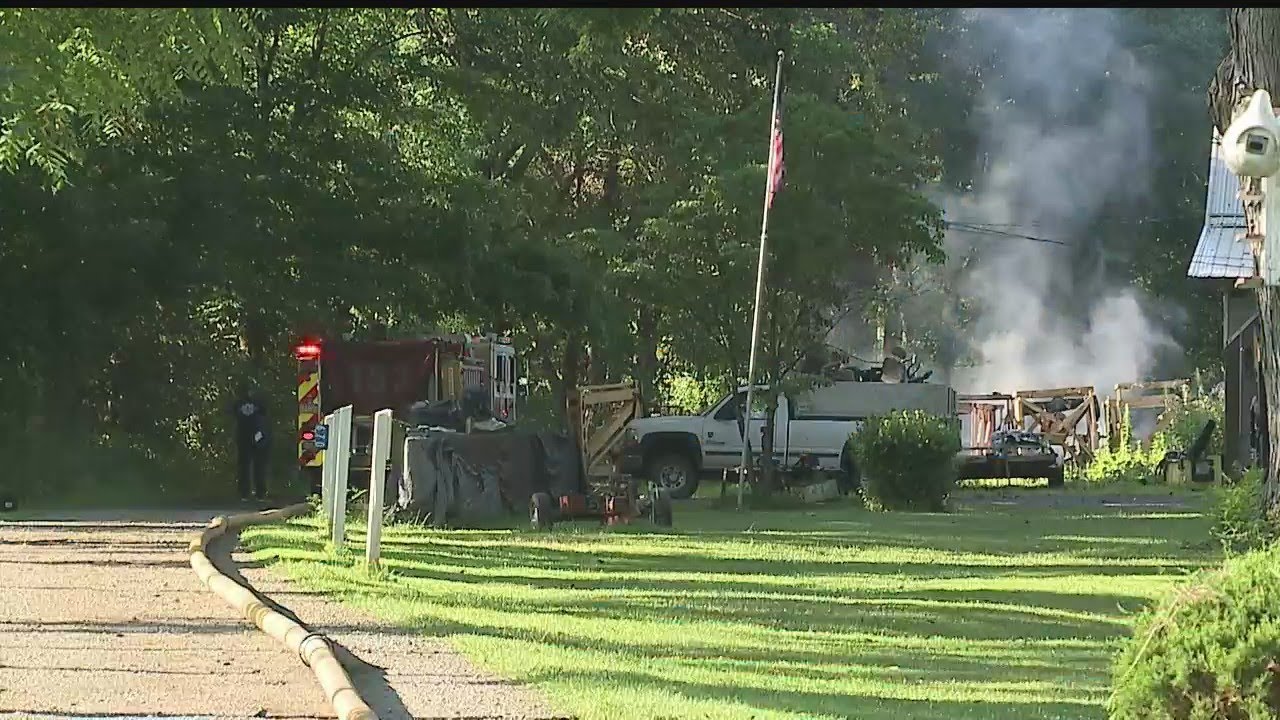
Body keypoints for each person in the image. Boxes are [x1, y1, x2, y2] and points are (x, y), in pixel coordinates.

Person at [231, 383, 271, 501]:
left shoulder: (241, 404)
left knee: (254, 465)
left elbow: (264, 414)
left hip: (251, 436)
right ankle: (250, 493)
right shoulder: (240, 403)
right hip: (247, 437)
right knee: (249, 466)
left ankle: (256, 493)